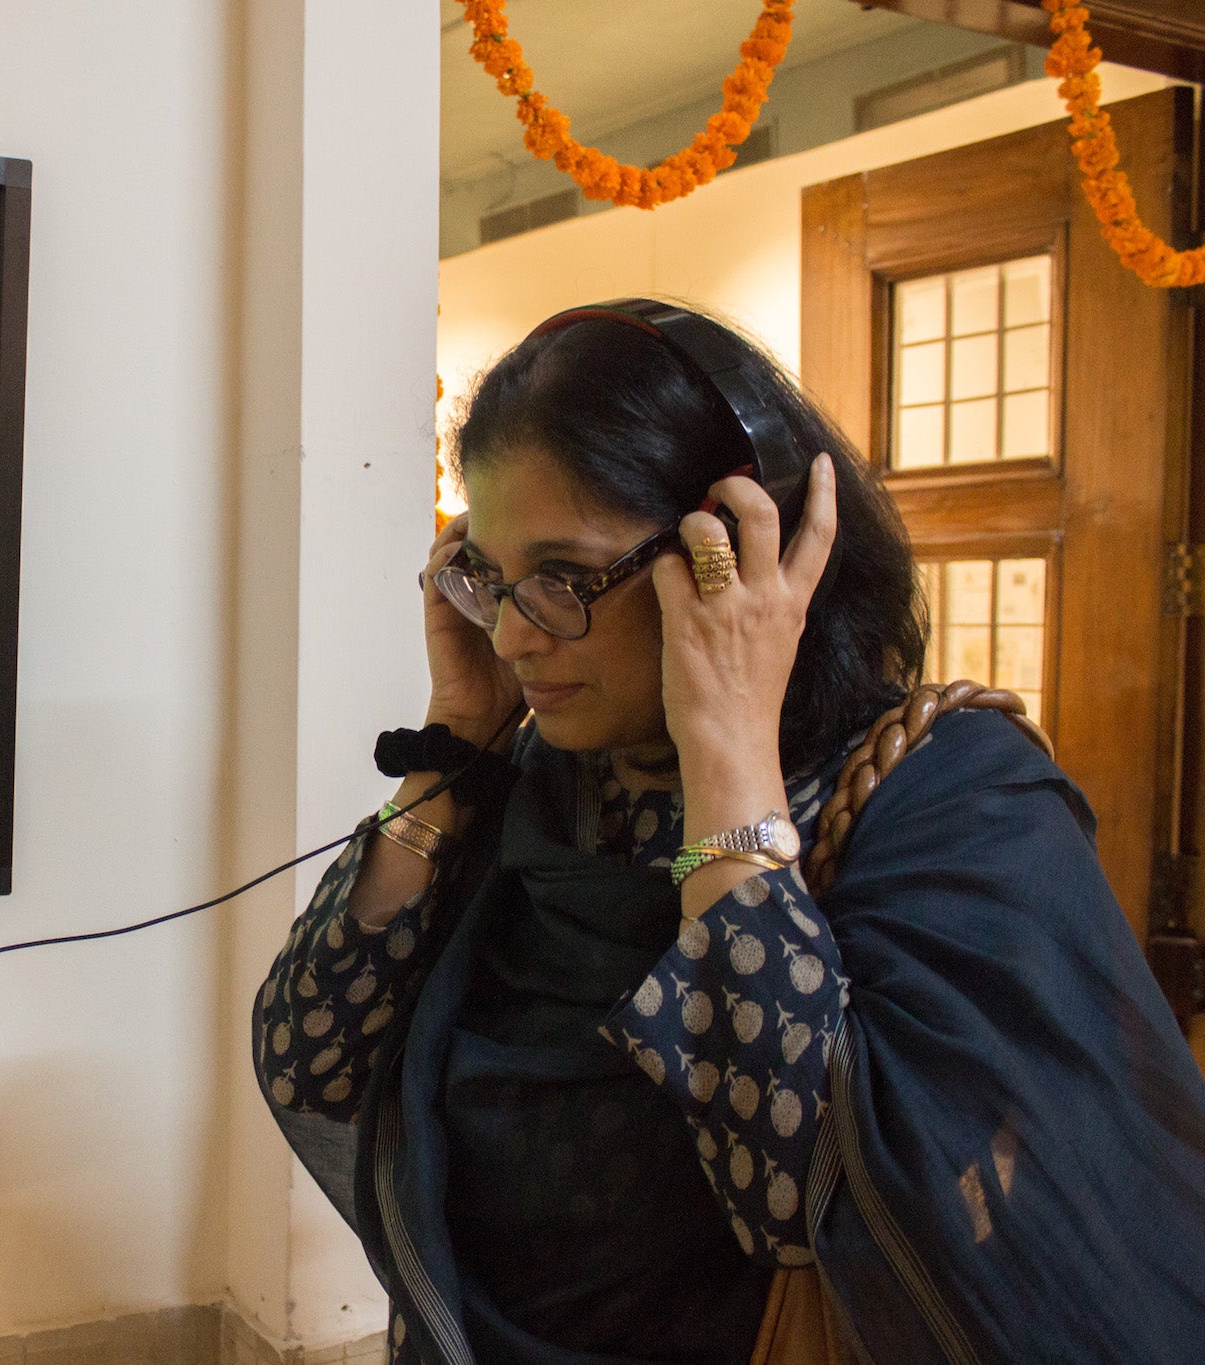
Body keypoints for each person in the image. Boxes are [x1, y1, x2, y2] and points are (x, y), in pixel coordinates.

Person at [254, 300, 1205, 1364]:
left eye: (565, 578)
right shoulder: (539, 777)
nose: (517, 634)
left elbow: (807, 1202)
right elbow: (311, 1057)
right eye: (491, 577)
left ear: (739, 547)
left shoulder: (953, 798)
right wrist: (455, 741)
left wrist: (726, 757)